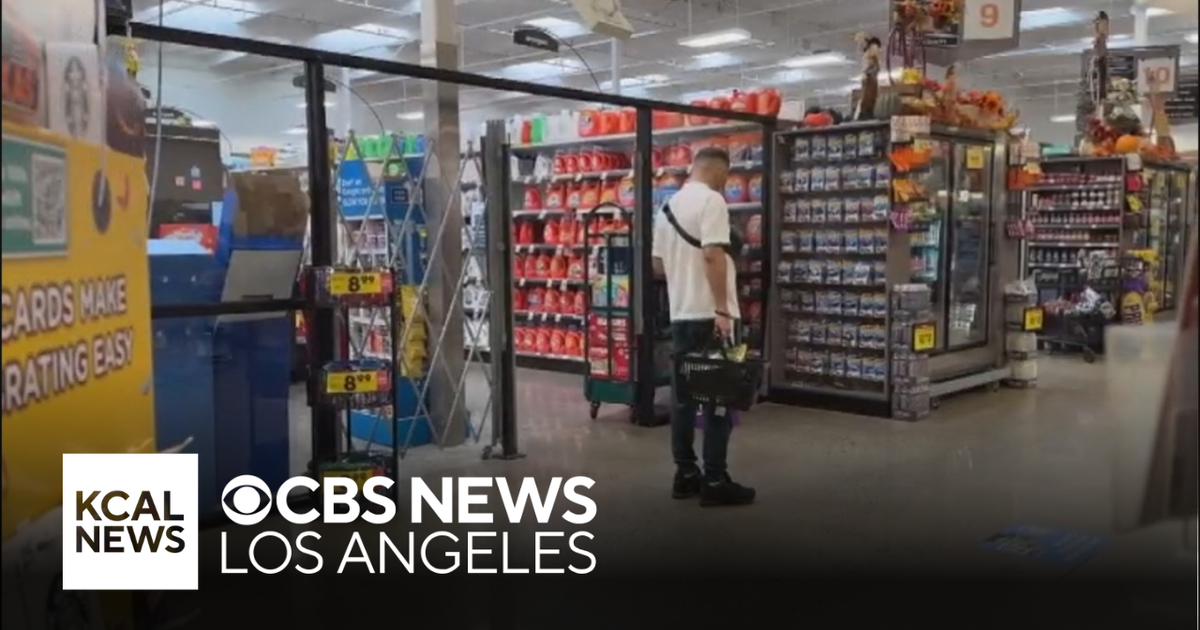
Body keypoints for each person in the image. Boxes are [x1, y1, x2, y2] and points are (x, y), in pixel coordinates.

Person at [652, 146, 755, 507]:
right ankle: (715, 478)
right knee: (719, 403)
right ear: (720, 173)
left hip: (682, 316)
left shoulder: (665, 209)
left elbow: (658, 266)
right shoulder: (712, 202)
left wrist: (685, 279)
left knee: (684, 401)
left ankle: (686, 474)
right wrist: (722, 309)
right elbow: (712, 254)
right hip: (712, 317)